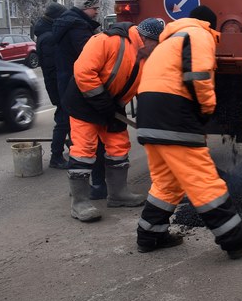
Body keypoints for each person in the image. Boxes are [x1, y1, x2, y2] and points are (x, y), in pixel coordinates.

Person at [134, 5, 242, 258]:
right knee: (202, 178)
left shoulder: (169, 40)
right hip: (173, 113)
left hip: (148, 113)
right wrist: (206, 110)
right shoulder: (199, 34)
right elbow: (199, 75)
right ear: (211, 25)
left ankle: (150, 234)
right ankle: (234, 237)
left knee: (166, 181)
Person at [62, 17, 166, 222]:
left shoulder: (145, 55)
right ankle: (79, 203)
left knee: (118, 147)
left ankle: (118, 194)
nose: (158, 49)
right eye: (157, 44)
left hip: (111, 106)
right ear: (146, 38)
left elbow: (144, 86)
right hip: (84, 103)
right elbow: (84, 72)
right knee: (84, 149)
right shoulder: (106, 40)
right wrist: (102, 102)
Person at [53, 0, 108, 198]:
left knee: (78, 139)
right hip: (80, 89)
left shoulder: (65, 24)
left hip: (67, 85)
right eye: (94, 9)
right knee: (89, 142)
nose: (96, 13)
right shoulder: (78, 27)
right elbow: (91, 58)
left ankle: (88, 186)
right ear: (85, 8)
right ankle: (95, 186)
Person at [33, 2, 70, 169]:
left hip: (58, 85)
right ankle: (56, 156)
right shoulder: (49, 38)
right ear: (56, 18)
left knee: (67, 118)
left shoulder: (47, 34)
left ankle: (74, 147)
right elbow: (54, 68)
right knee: (63, 119)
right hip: (58, 86)